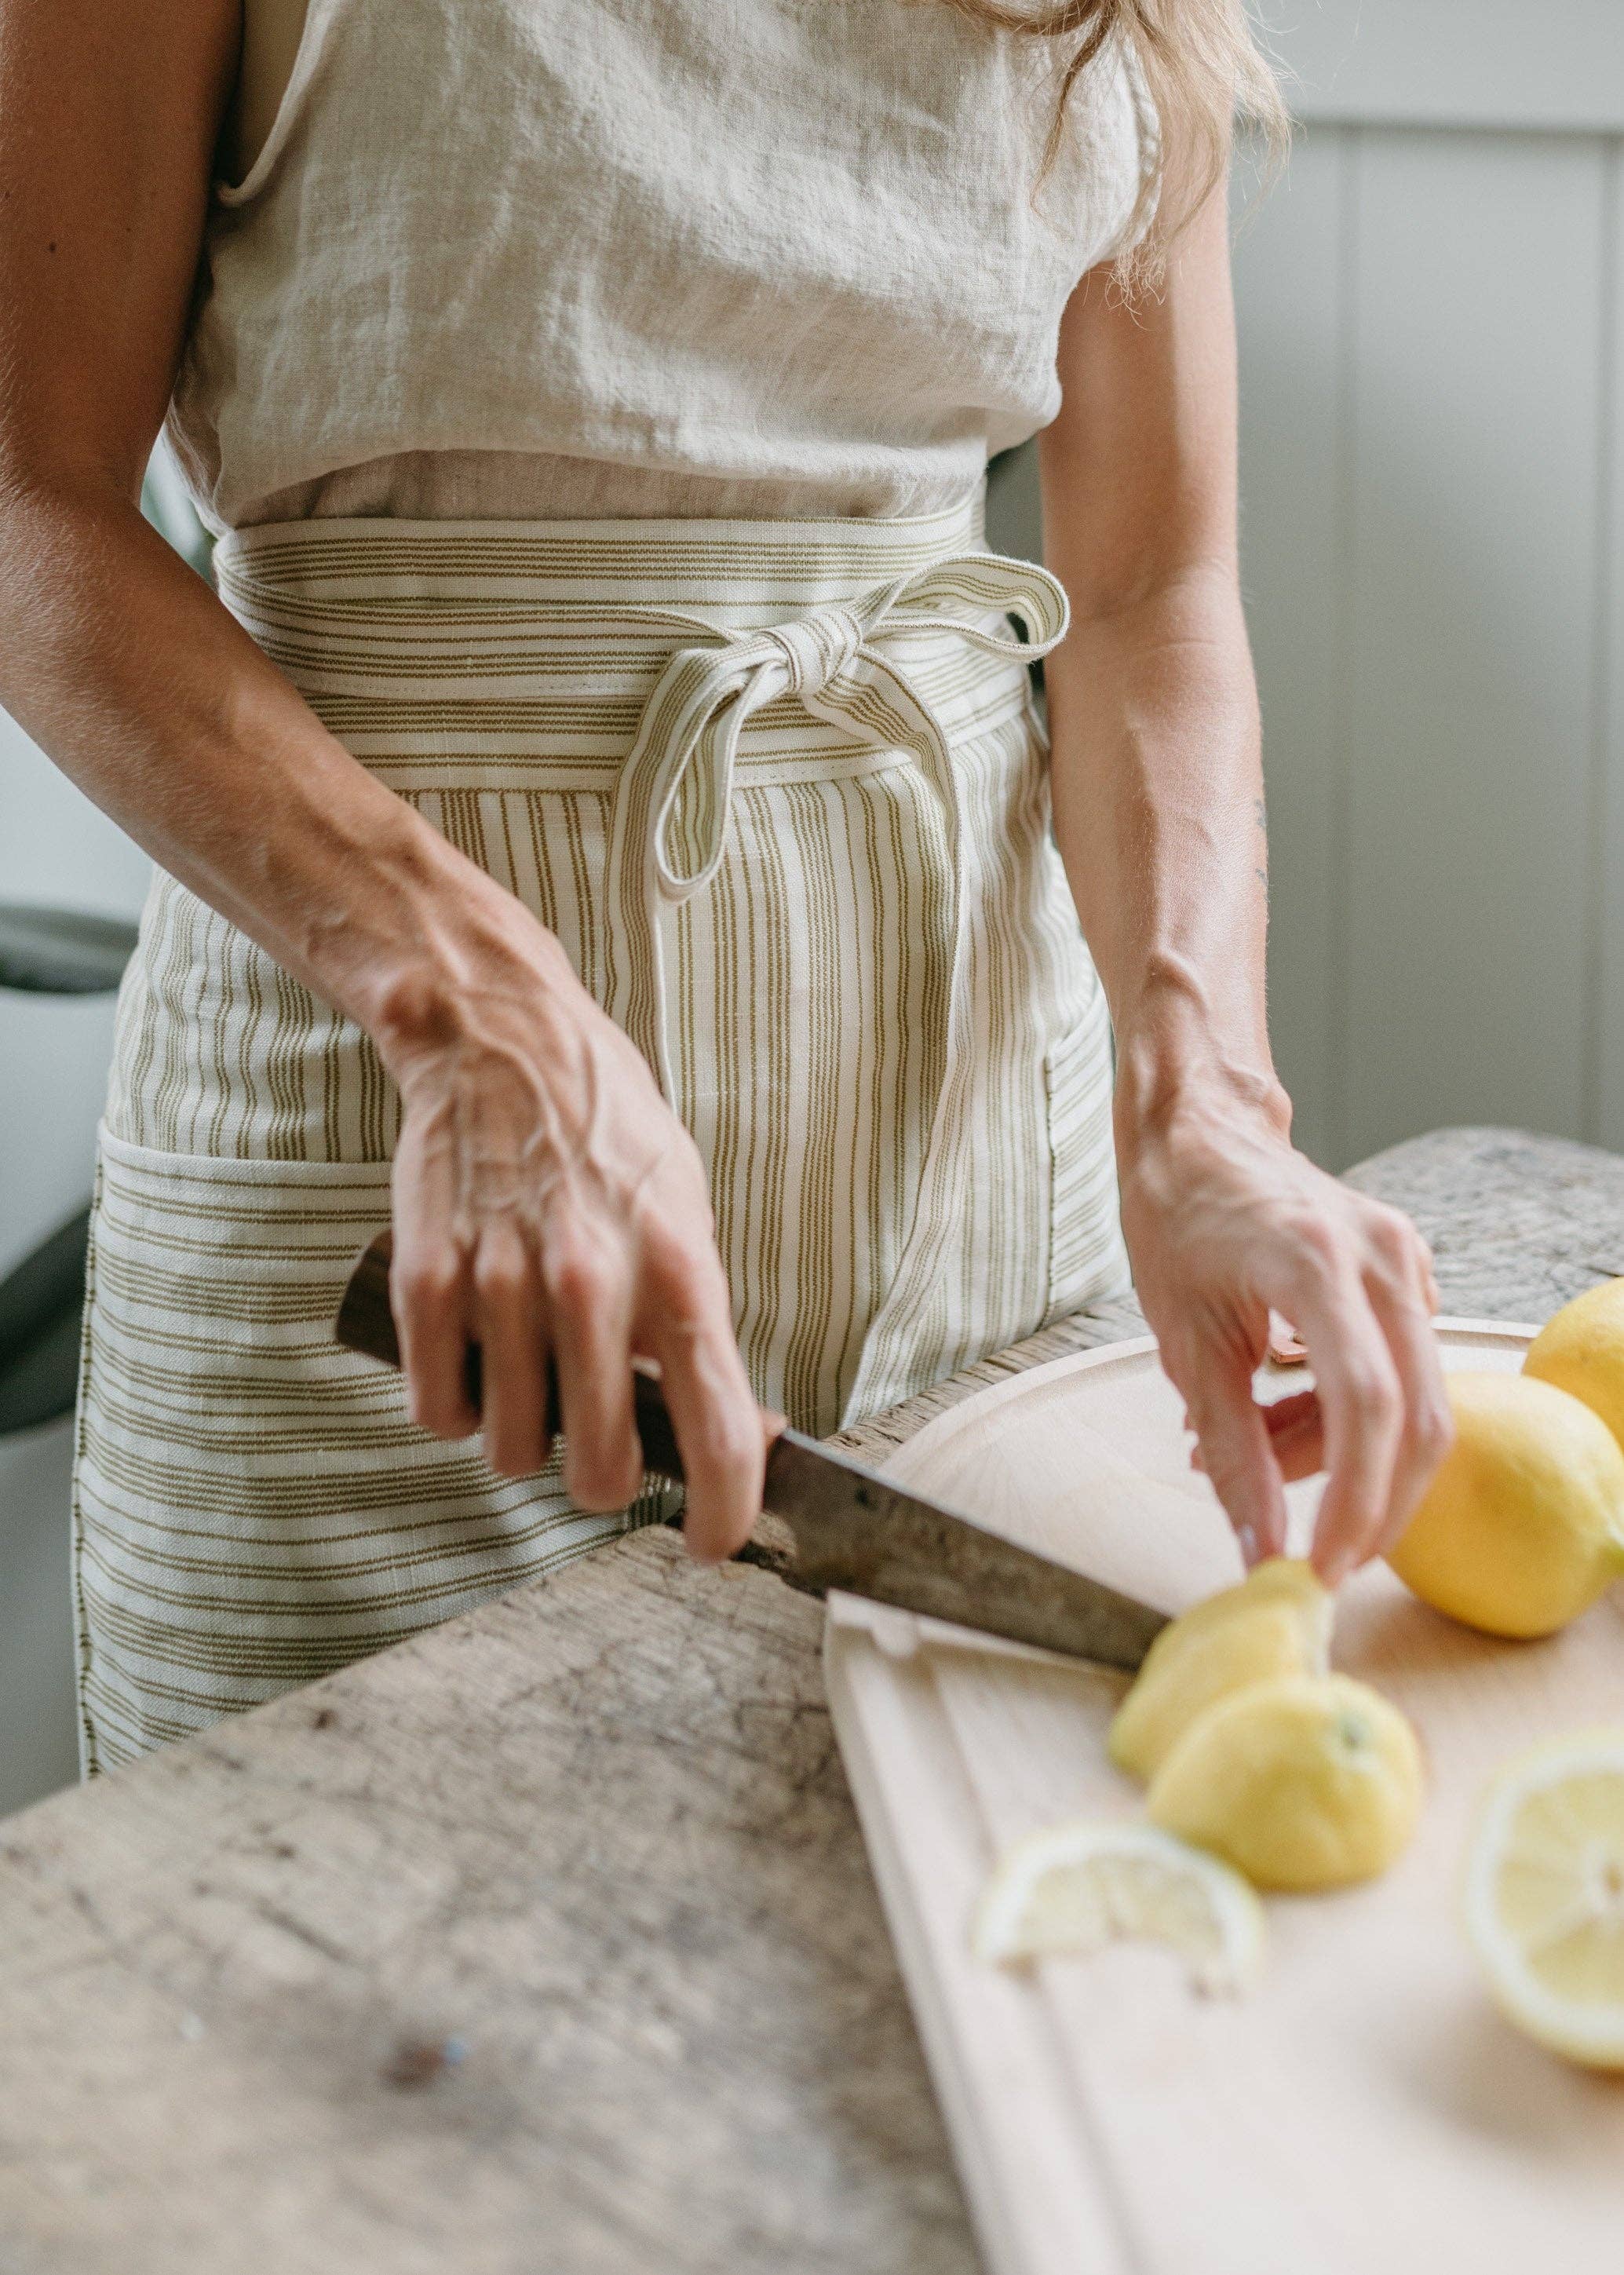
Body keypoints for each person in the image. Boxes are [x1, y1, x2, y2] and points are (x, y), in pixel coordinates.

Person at [0, 0, 1451, 1773]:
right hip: (403, 1182)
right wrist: (482, 1014)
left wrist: (1206, 1093)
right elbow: (28, 495)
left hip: (985, 1183)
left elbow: (1149, 579)